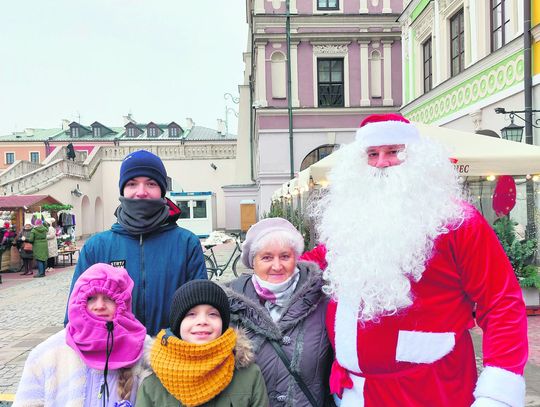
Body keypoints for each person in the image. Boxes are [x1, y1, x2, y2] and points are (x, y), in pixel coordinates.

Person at [310, 113, 528, 407]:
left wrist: (498, 390)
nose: (382, 162)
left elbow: (501, 302)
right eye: (372, 154)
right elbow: (313, 263)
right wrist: (273, 257)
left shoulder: (457, 221)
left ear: (417, 158)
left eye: (394, 152)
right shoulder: (349, 220)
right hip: (350, 392)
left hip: (430, 391)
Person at [66, 150, 207, 335]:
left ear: (162, 191)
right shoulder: (96, 247)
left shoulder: (187, 243)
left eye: (151, 183)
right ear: (123, 190)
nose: (141, 192)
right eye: (132, 184)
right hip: (112, 357)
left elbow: (201, 309)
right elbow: (75, 315)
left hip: (173, 356)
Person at [226, 217, 333, 407]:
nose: (277, 266)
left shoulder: (323, 301)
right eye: (266, 257)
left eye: (285, 256)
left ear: (296, 258)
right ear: (253, 262)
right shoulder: (228, 305)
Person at [14, 263, 149, 407]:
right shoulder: (47, 355)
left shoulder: (144, 352)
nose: (99, 306)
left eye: (109, 298)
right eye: (91, 298)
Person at [136, 279, 268, 406]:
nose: (202, 321)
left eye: (213, 314)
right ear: (178, 324)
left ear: (223, 322)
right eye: (191, 314)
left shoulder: (249, 375)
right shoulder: (153, 381)